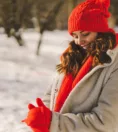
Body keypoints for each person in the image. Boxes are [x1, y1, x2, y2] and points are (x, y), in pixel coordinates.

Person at [22, 0, 118, 132]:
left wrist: (53, 123)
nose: (79, 41)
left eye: (85, 34)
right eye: (74, 35)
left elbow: (105, 122)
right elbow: (51, 95)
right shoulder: (71, 57)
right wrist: (41, 115)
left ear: (99, 31)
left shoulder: (113, 63)